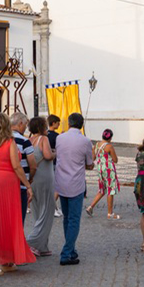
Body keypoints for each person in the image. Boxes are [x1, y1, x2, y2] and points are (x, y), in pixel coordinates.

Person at [0, 113, 34, 275]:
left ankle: (2, 259)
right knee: (10, 220)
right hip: (8, 183)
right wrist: (27, 185)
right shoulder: (10, 142)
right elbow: (17, 166)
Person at [52, 112, 92, 266]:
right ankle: (67, 252)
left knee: (67, 218)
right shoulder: (85, 141)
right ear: (81, 125)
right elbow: (89, 163)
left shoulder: (60, 138)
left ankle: (71, 248)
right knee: (74, 219)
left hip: (62, 182)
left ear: (68, 123)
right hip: (76, 183)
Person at [25, 115, 58, 256]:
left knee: (38, 212)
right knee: (47, 211)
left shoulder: (29, 140)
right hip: (45, 178)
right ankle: (30, 242)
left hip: (33, 179)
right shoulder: (43, 139)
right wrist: (55, 153)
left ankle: (42, 247)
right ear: (41, 127)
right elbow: (48, 155)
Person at [92, 128, 120, 220]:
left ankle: (90, 207)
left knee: (102, 189)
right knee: (110, 190)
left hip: (100, 169)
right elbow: (115, 160)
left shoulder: (96, 145)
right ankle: (110, 213)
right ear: (110, 138)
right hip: (108, 169)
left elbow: (93, 158)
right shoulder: (109, 146)